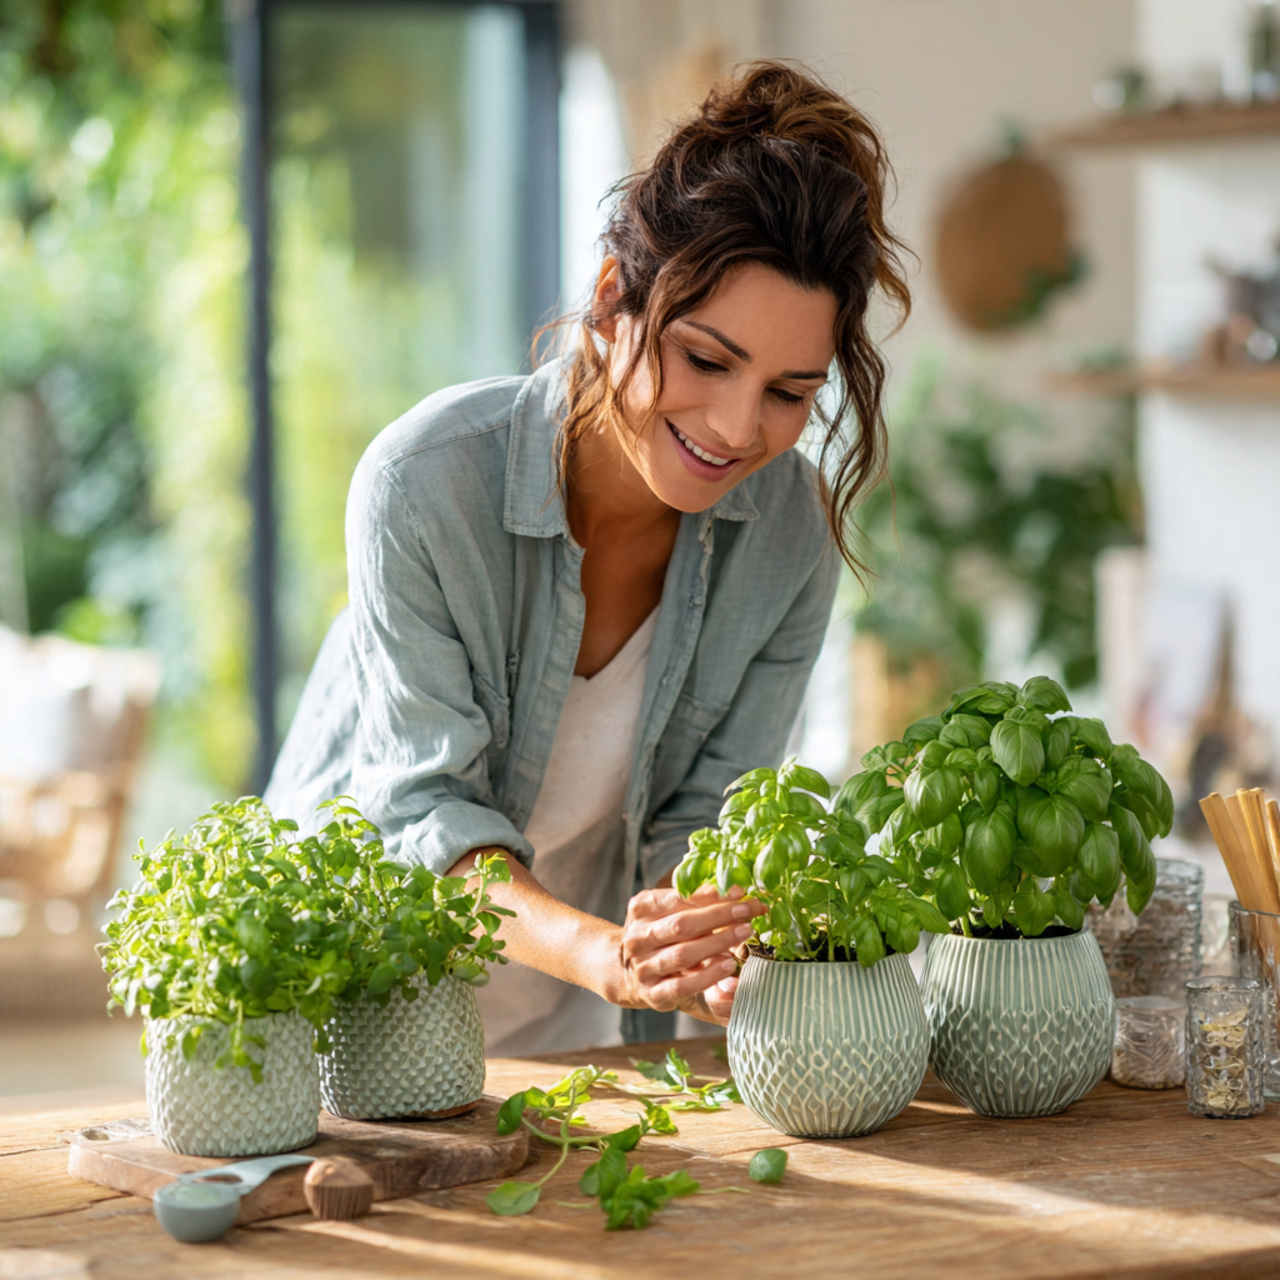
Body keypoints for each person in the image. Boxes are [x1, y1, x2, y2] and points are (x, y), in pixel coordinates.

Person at [265, 61, 910, 1056]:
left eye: (789, 392)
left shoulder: (787, 533)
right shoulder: (423, 484)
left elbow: (713, 818)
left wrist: (693, 955)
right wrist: (611, 956)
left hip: (561, 1029)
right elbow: (428, 817)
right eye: (704, 359)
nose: (737, 429)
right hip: (334, 1005)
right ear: (614, 300)